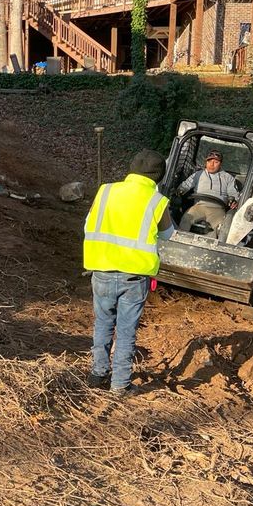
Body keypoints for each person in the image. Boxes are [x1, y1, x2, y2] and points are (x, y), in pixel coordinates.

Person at [84, 149, 174, 395]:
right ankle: (120, 385)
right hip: (134, 277)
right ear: (159, 176)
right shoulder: (157, 202)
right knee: (125, 331)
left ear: (131, 168)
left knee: (103, 323)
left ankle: (97, 374)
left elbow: (88, 224)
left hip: (101, 269)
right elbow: (168, 236)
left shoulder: (106, 191)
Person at [177, 149, 239, 234]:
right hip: (199, 206)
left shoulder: (228, 178)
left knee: (223, 230)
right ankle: (180, 241)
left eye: (216, 162)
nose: (212, 165)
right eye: (209, 161)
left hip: (218, 209)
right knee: (186, 219)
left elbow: (234, 194)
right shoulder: (198, 174)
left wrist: (234, 201)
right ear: (205, 162)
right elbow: (185, 186)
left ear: (220, 164)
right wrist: (180, 190)